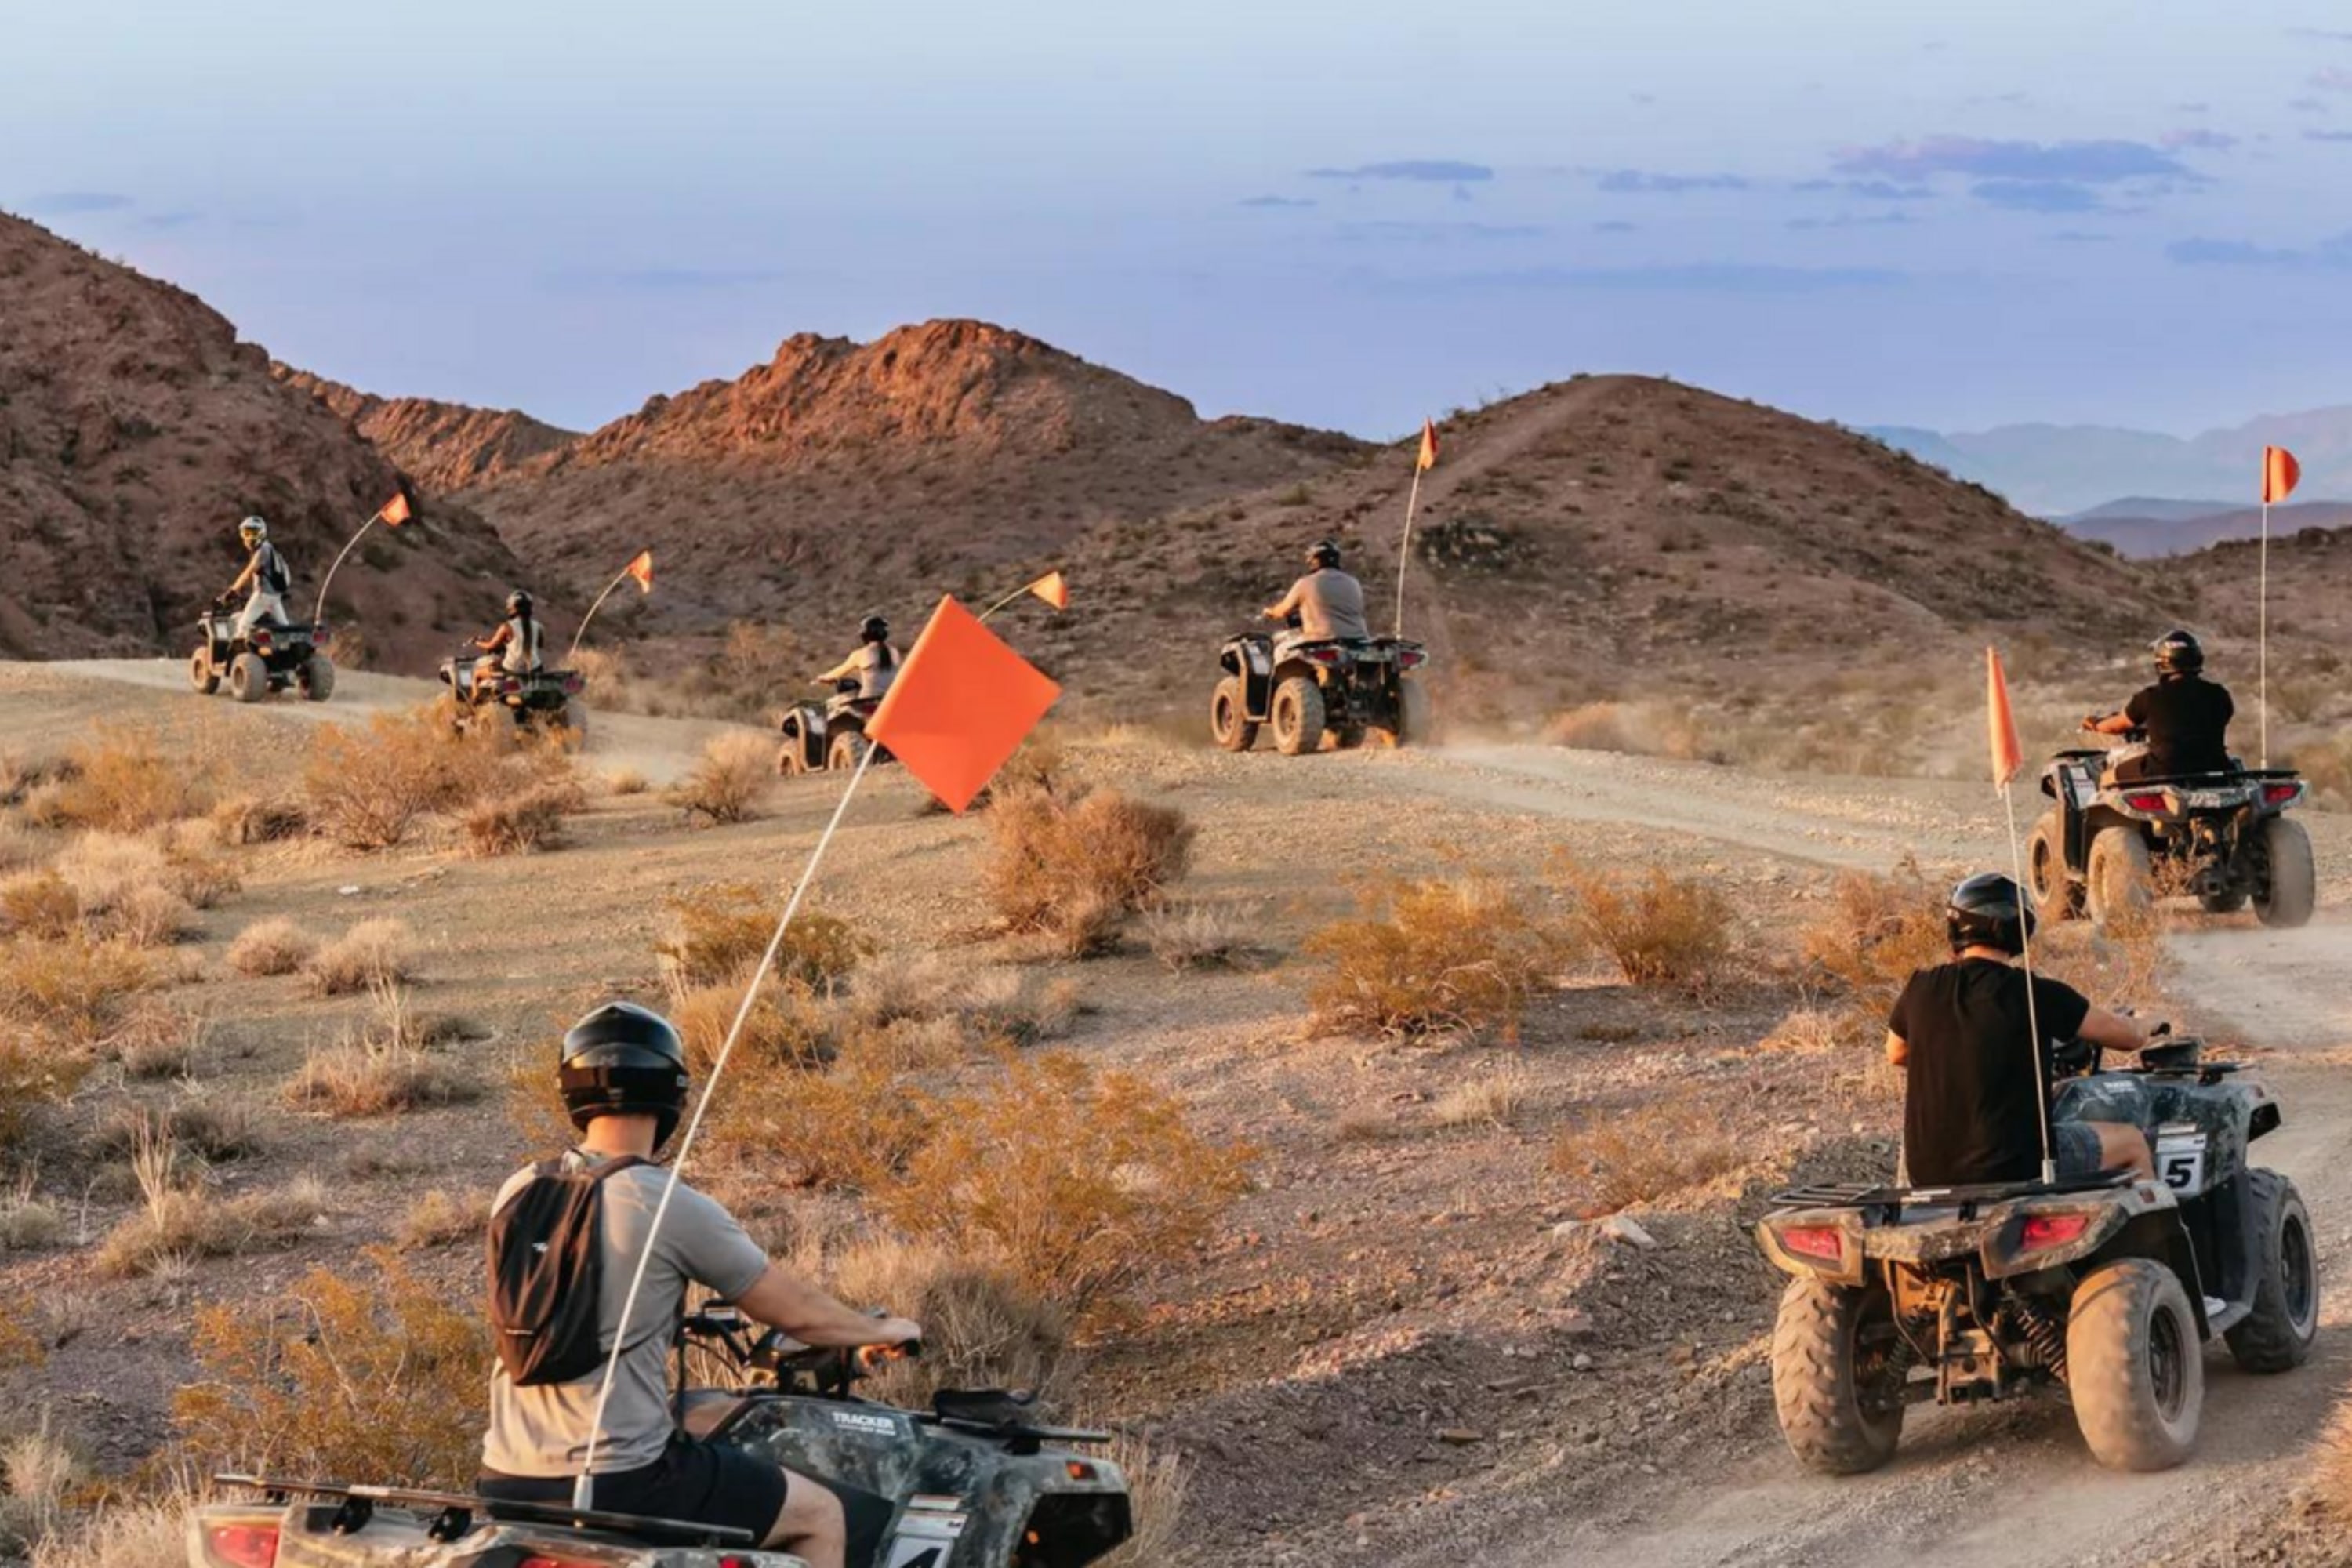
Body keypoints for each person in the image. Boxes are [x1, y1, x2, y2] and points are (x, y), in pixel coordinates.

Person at [478, 1003, 921, 1568]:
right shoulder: (660, 1200)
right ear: (671, 1091)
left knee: (693, 1421)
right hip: (614, 1480)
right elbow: (798, 1314)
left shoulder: (519, 1188)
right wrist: (880, 1328)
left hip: (506, 1477)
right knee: (818, 1516)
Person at [1885, 873, 2154, 1186]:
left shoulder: (1920, 987)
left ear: (1956, 927)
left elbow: (1896, 1053)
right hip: (2015, 1168)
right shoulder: (2036, 993)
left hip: (1928, 1174)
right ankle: (2163, 1235)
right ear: (2021, 930)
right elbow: (2128, 1037)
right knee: (2133, 1142)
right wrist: (2149, 1022)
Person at [2083, 630, 2235, 781]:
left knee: (2107, 778)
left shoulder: (2150, 696)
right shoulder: (2219, 694)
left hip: (2164, 770)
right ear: (2197, 659)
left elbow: (2115, 726)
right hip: (2216, 768)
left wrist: (2095, 724)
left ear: (2162, 662)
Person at [1263, 539, 1371, 644]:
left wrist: (1270, 612)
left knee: (1280, 646)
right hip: (1358, 639)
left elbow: (1283, 610)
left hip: (1320, 639)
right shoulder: (1353, 582)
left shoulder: (1305, 583)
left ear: (1314, 560)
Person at [222, 516, 292, 636]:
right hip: (274, 596)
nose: (249, 537)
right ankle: (288, 651)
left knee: (243, 625)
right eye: (247, 533)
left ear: (261, 533)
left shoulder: (262, 551)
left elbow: (248, 573)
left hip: (264, 595)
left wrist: (232, 591)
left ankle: (241, 653)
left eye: (253, 533)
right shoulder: (268, 548)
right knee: (284, 627)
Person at [470, 590, 544, 697]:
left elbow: (491, 646)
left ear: (512, 607)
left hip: (511, 669)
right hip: (535, 668)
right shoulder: (539, 626)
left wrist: (477, 642)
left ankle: (475, 703)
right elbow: (539, 645)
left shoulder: (507, 627)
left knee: (477, 674)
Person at [815, 615, 899, 701]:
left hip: (869, 698)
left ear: (865, 634)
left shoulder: (861, 654)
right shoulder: (894, 652)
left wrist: (824, 678)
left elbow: (840, 671)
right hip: (892, 698)